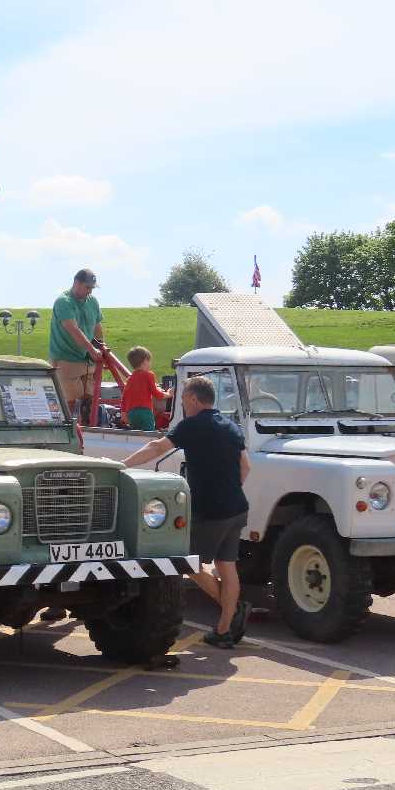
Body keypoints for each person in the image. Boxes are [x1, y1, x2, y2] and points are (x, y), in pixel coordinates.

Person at [121, 375, 253, 648]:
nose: (182, 405)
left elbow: (157, 447)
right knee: (227, 566)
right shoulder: (231, 427)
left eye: (182, 400)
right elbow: (246, 467)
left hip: (211, 511)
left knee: (185, 563)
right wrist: (228, 489)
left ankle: (233, 609)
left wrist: (123, 465)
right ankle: (225, 628)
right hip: (237, 508)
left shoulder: (192, 426)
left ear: (193, 399)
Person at [50, 269, 105, 419]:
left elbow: (97, 326)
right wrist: (92, 349)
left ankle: (87, 432)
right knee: (71, 402)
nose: (89, 291)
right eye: (87, 287)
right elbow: (73, 330)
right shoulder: (64, 302)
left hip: (86, 360)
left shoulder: (92, 302)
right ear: (76, 283)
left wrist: (102, 347)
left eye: (92, 288)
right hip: (66, 359)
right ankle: (73, 432)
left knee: (89, 401)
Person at [120, 346, 172, 431]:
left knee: (136, 434)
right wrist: (169, 394)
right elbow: (156, 394)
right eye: (149, 361)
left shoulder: (130, 379)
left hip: (131, 413)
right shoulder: (149, 375)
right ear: (145, 361)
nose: (150, 364)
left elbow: (124, 398)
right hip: (145, 412)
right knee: (148, 435)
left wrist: (123, 412)